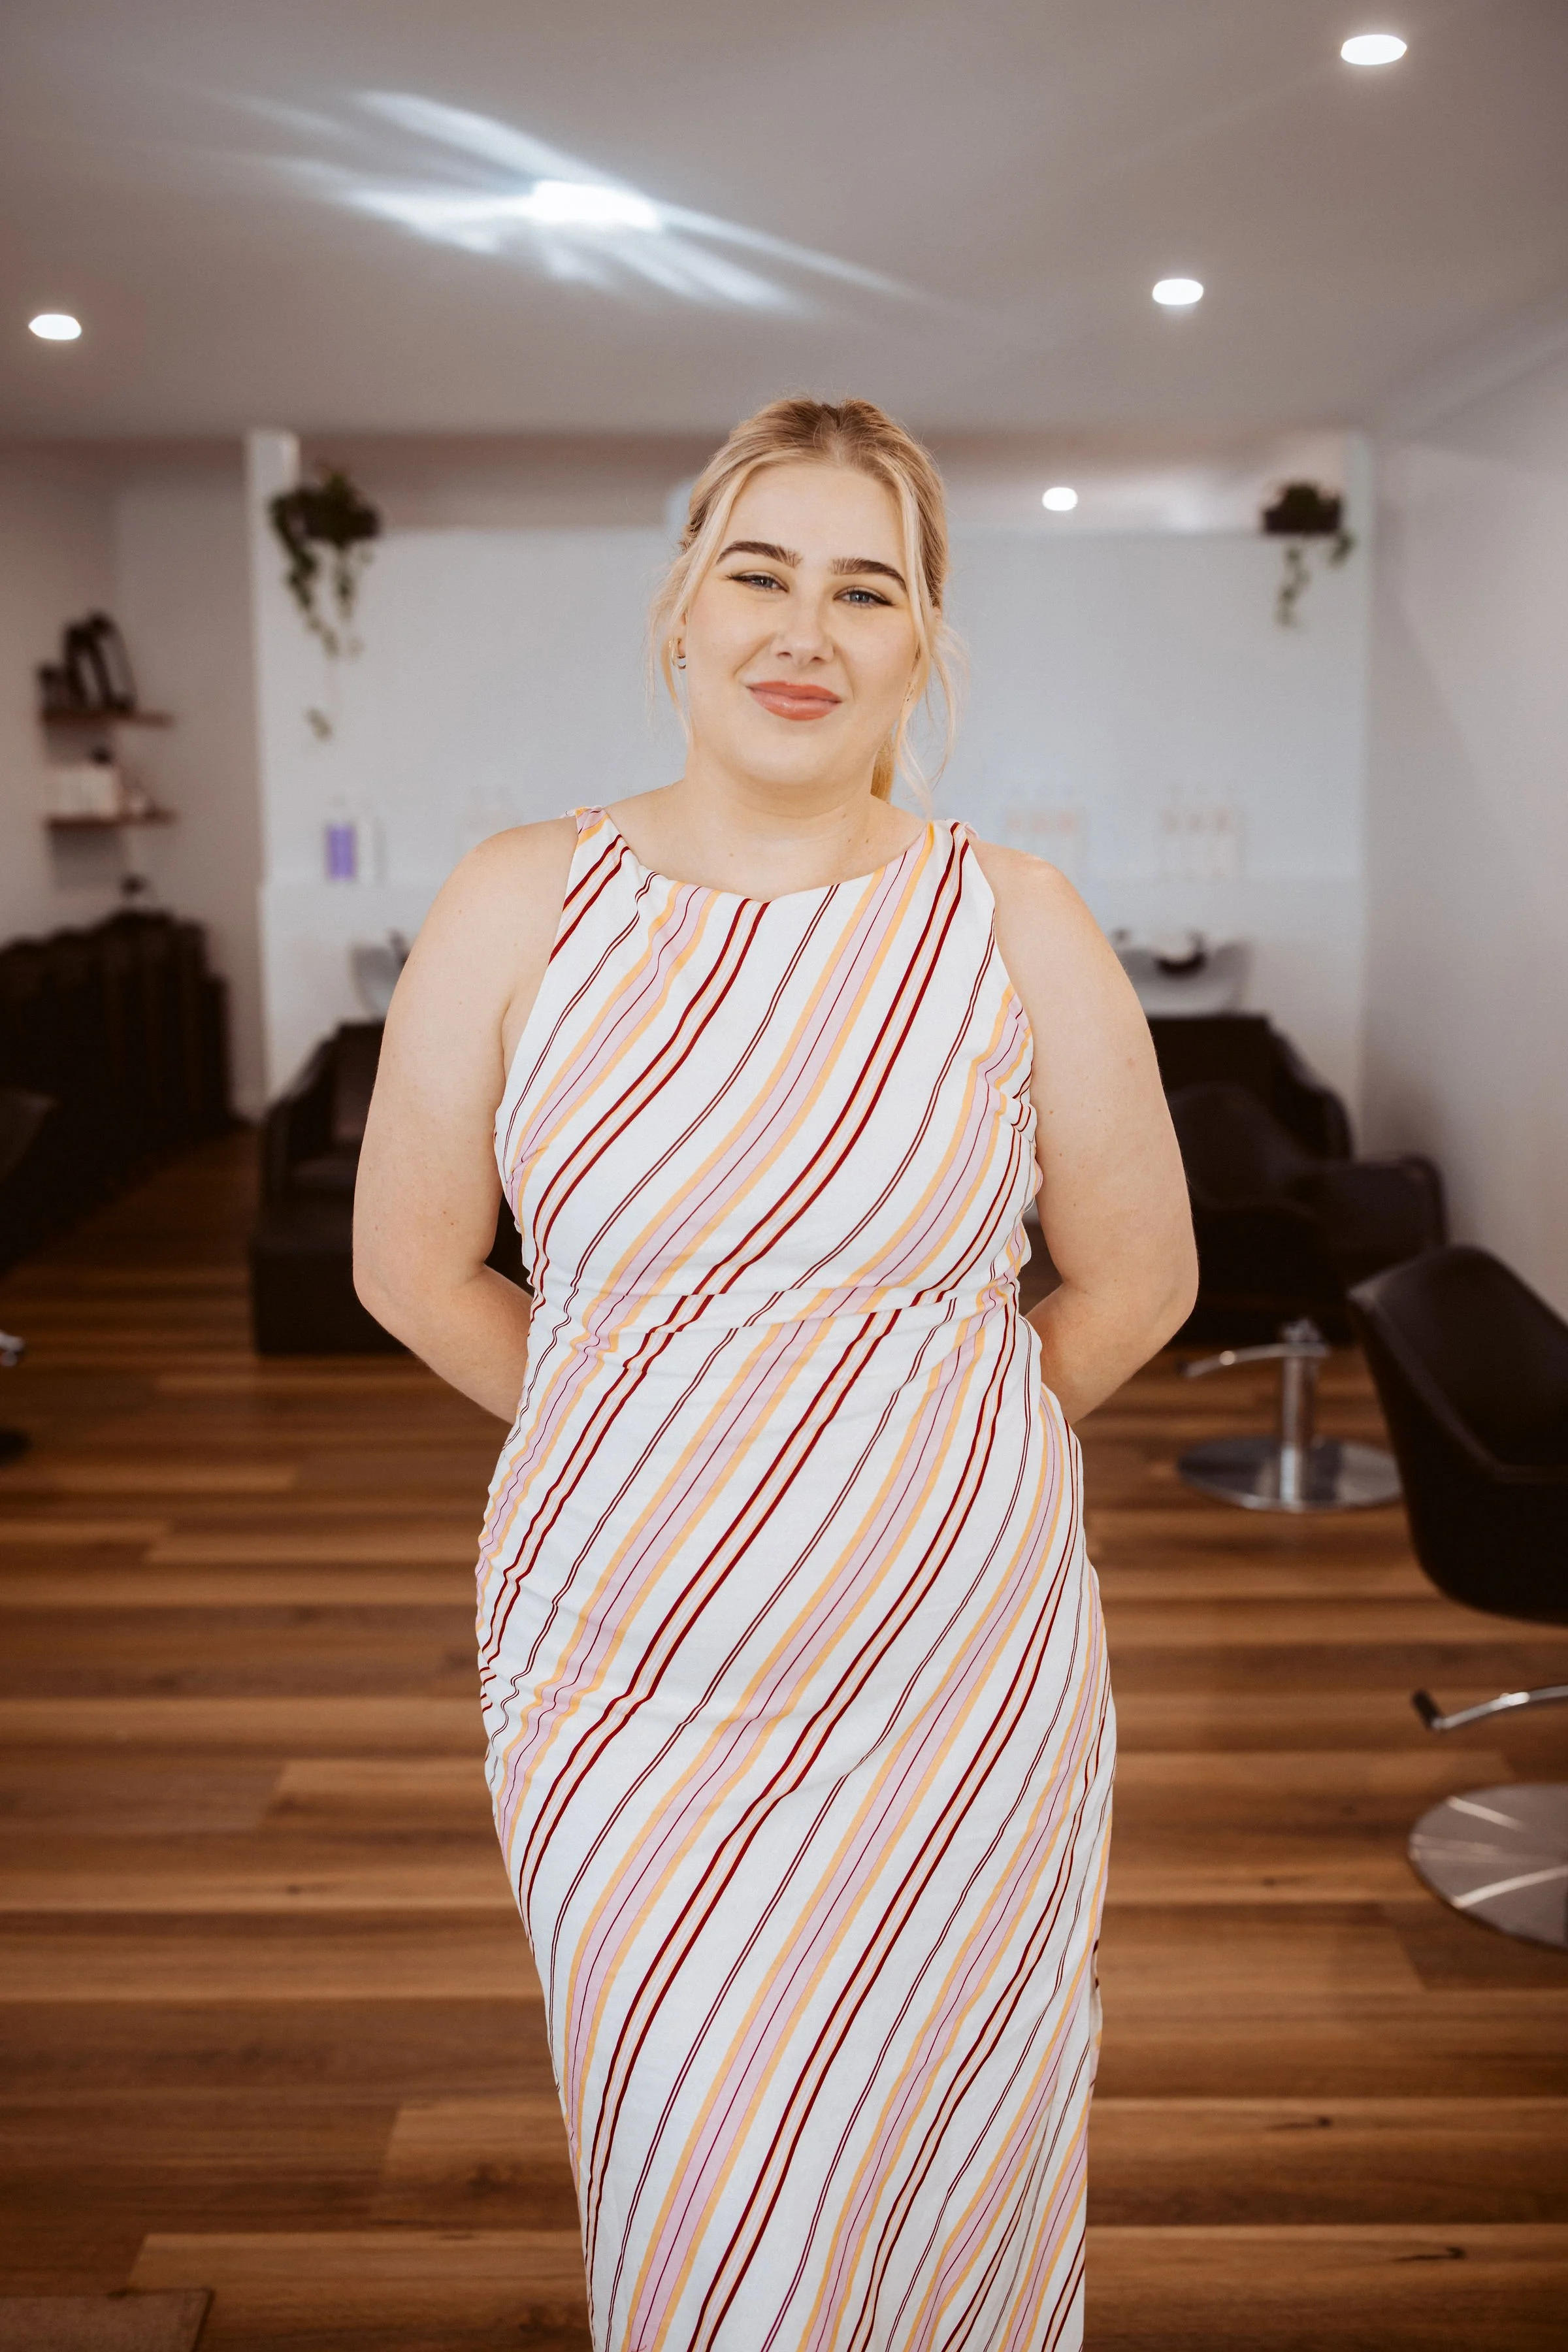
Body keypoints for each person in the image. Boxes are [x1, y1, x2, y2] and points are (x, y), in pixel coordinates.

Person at [354, 395, 1196, 2352]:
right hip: (623, 1690)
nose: (802, 628)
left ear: (921, 646)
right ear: (679, 611)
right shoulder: (515, 900)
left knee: (949, 2173)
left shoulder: (1017, 921)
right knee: (700, 2179)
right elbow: (409, 1268)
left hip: (956, 1700)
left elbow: (1139, 1280)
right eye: (759, 572)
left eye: (863, 588)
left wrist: (903, 1436)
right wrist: (665, 1417)